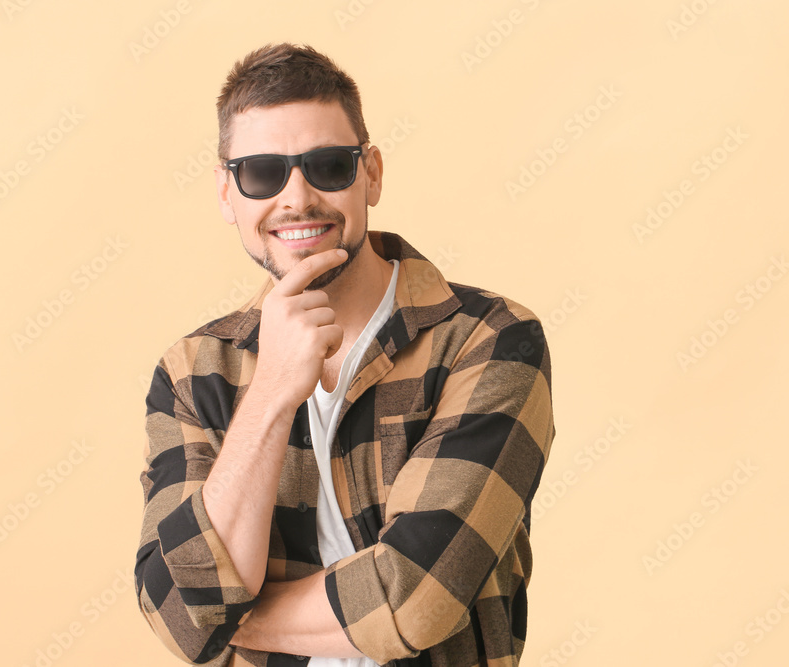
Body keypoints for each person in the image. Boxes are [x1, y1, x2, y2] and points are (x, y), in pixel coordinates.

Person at [135, 42, 556, 667]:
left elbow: (414, 599)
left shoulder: (490, 340)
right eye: (261, 173)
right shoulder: (193, 373)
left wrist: (219, 622)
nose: (297, 198)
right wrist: (274, 391)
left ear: (373, 174)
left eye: (329, 165)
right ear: (228, 194)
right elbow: (178, 611)